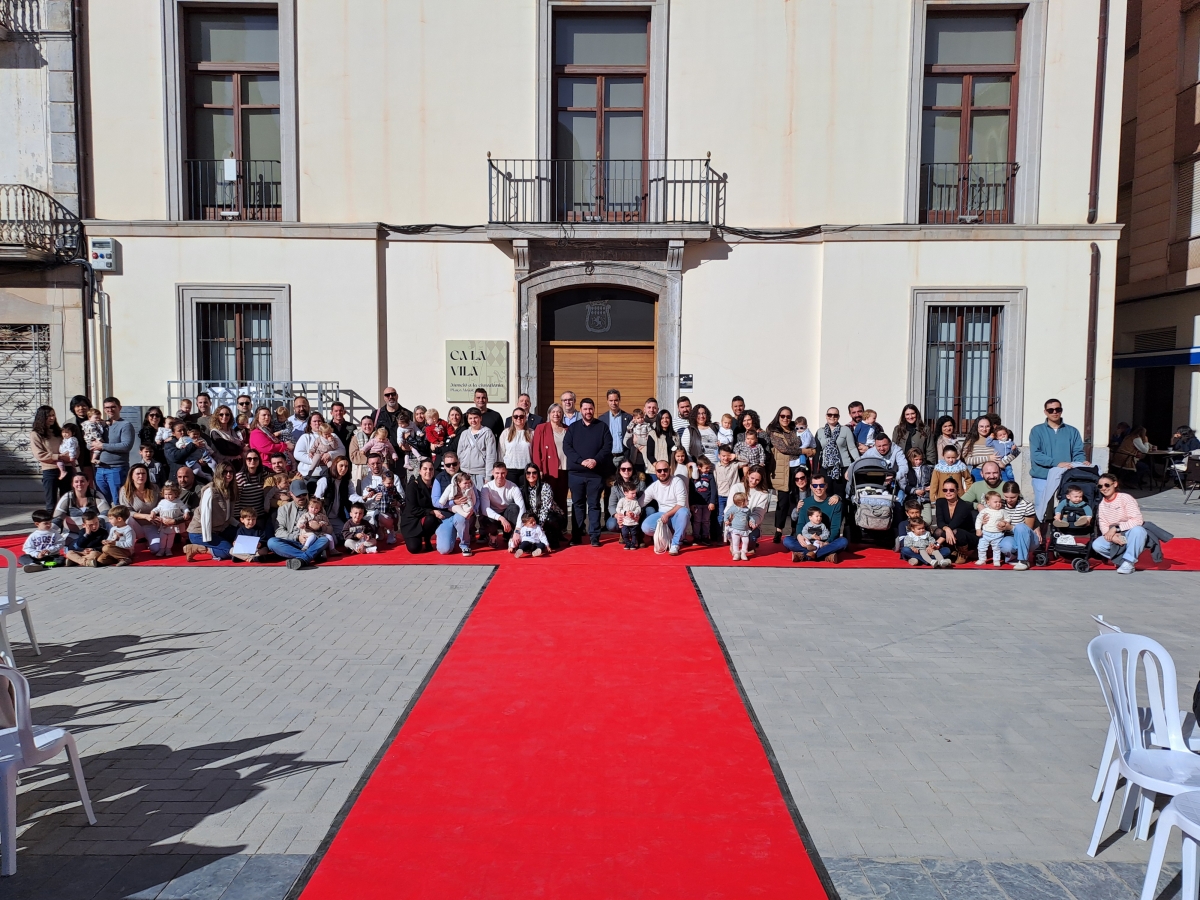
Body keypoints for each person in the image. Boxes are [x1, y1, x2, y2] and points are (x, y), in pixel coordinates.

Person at [563, 398, 609, 546]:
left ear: (594, 409)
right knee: (578, 505)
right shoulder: (573, 428)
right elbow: (567, 447)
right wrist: (581, 461)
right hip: (576, 474)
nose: (588, 412)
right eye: (585, 409)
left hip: (596, 475)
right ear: (580, 410)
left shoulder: (602, 427)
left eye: (590, 409)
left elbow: (607, 446)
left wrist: (595, 460)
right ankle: (576, 536)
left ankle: (594, 537)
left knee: (595, 505)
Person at [1029, 399, 1086, 515]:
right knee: (1042, 508)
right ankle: (1040, 531)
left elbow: (1078, 452)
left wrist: (1081, 463)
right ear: (1045, 412)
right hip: (1043, 475)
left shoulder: (1072, 431)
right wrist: (1056, 463)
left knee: (1067, 507)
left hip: (1066, 475)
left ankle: (1064, 531)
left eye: (1057, 409)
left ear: (1061, 411)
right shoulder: (1037, 430)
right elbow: (1036, 455)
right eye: (1051, 410)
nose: (1054, 412)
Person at [269, 479, 335, 569]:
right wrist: (297, 537)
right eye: (298, 495)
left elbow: (330, 528)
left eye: (304, 494)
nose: (301, 497)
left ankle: (301, 558)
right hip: (293, 542)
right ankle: (310, 556)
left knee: (325, 540)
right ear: (291, 494)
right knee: (272, 542)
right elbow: (279, 532)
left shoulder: (316, 507)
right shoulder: (283, 509)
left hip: (313, 540)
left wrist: (319, 528)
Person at [783, 475, 848, 562]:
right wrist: (799, 536)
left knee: (843, 542)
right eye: (815, 485)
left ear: (826, 486)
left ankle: (805, 555)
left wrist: (826, 543)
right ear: (811, 486)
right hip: (807, 541)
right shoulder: (805, 503)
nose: (818, 488)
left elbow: (835, 529)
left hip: (824, 541)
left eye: (821, 485)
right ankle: (825, 556)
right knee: (787, 540)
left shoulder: (836, 504)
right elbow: (800, 524)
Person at [1092, 475, 1149, 574]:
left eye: (1106, 485)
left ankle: (1129, 561)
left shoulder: (1125, 498)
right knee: (1097, 545)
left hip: (1129, 531)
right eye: (1100, 486)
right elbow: (1103, 523)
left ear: (1115, 484)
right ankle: (1123, 561)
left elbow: (1137, 520)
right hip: (1114, 533)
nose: (1104, 488)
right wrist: (1110, 535)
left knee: (1138, 530)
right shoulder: (1102, 504)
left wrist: (1116, 528)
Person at [185, 462, 240, 561]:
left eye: (231, 471)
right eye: (225, 472)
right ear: (219, 473)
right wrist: (208, 538)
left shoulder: (230, 489)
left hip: (220, 529)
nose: (228, 474)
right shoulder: (210, 490)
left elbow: (227, 516)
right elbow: (205, 517)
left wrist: (239, 525)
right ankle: (197, 548)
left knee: (243, 535)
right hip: (200, 532)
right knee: (228, 550)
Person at [765, 408, 804, 539]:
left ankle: (794, 528)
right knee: (783, 501)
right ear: (778, 416)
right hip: (783, 469)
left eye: (788, 416)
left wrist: (799, 449)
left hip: (798, 468)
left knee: (796, 500)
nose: (785, 419)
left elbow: (801, 442)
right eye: (782, 416)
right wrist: (803, 451)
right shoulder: (774, 431)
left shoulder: (794, 429)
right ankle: (778, 530)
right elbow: (784, 449)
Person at [640, 459, 690, 555]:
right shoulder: (654, 487)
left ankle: (675, 544)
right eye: (659, 471)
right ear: (655, 472)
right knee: (646, 527)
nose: (662, 473)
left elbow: (681, 504)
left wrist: (668, 514)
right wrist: (626, 512)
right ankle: (669, 537)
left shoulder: (677, 481)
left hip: (677, 514)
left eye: (665, 470)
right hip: (662, 515)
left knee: (684, 512)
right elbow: (640, 503)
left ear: (669, 470)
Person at [31, 405, 71, 512]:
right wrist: (58, 456)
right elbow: (39, 454)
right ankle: (51, 526)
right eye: (49, 416)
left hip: (66, 468)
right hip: (50, 470)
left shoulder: (60, 432)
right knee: (51, 503)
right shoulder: (36, 434)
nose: (52, 418)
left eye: (53, 415)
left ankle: (66, 525)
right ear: (41, 417)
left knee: (66, 501)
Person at [401, 459, 445, 553]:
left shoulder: (436, 485)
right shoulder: (412, 486)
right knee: (414, 549)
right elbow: (413, 509)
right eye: (425, 469)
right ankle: (416, 538)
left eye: (431, 469)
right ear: (420, 471)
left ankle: (427, 538)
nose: (428, 472)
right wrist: (431, 511)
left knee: (431, 519)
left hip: (428, 519)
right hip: (412, 520)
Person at [531, 403, 570, 511]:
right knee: (548, 498)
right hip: (548, 469)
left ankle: (562, 525)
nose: (556, 414)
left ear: (562, 414)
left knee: (562, 498)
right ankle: (549, 525)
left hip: (565, 468)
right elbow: (536, 450)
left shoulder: (567, 429)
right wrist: (538, 469)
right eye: (553, 412)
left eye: (559, 412)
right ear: (549, 414)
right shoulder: (541, 428)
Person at [352, 454, 397, 545]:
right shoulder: (365, 481)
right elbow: (365, 503)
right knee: (370, 518)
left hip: (387, 510)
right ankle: (378, 531)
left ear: (382, 462)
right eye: (372, 464)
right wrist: (374, 499)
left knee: (384, 516)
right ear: (368, 465)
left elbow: (400, 494)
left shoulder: (392, 476)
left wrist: (395, 501)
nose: (375, 466)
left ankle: (391, 531)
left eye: (378, 463)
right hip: (371, 511)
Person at [479, 462, 526, 549]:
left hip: (508, 515)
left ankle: (512, 536)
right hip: (495, 517)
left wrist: (518, 530)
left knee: (514, 507)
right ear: (493, 473)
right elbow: (485, 509)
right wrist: (501, 519)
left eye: (502, 473)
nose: (500, 476)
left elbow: (522, 509)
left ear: (506, 473)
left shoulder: (513, 487)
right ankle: (493, 536)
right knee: (485, 518)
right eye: (497, 473)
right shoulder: (486, 488)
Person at [519, 464, 565, 549]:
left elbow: (545, 509)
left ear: (538, 474)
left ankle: (555, 536)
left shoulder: (546, 487)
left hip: (550, 516)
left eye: (534, 473)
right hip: (534, 519)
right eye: (528, 473)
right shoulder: (522, 489)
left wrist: (538, 527)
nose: (531, 475)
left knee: (550, 520)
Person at [119, 463, 162, 554]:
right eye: (138, 474)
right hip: (135, 526)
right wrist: (145, 516)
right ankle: (129, 547)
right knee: (127, 519)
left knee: (156, 549)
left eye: (143, 473)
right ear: (131, 476)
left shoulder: (154, 488)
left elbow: (161, 505)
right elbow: (126, 511)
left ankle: (147, 541)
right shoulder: (125, 490)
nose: (141, 476)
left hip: (152, 524)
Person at [814, 407, 859, 493]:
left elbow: (852, 448)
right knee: (826, 494)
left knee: (840, 494)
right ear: (826, 416)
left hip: (842, 468)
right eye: (830, 414)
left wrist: (858, 462)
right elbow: (818, 452)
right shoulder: (820, 431)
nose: (832, 417)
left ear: (838, 417)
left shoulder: (845, 430)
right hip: (826, 468)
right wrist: (815, 471)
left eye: (835, 415)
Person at [996, 481, 1038, 570]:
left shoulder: (1026, 505)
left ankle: (1023, 560)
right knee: (1006, 546)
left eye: (1013, 497)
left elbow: (1027, 528)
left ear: (1018, 493)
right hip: (1010, 537)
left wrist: (1010, 527)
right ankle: (1013, 557)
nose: (1009, 500)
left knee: (1020, 527)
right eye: (1006, 497)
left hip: (1027, 538)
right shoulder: (1000, 504)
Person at [436, 471, 478, 556]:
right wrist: (450, 502)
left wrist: (472, 507)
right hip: (451, 510)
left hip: (465, 507)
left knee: (462, 517)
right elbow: (440, 500)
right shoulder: (450, 487)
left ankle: (464, 545)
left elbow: (475, 498)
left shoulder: (470, 489)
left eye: (469, 483)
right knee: (444, 550)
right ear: (458, 483)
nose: (467, 485)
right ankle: (442, 532)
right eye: (465, 483)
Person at [457, 408, 498, 491]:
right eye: (470, 418)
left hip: (481, 473)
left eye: (475, 417)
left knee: (481, 499)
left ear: (480, 418)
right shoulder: (464, 433)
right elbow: (459, 452)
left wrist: (488, 476)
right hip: (466, 473)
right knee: (467, 499)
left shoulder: (487, 433)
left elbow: (491, 455)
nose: (473, 420)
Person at [935, 477, 975, 562]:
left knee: (956, 531)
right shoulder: (940, 502)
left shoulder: (964, 505)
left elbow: (954, 524)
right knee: (938, 531)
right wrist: (947, 528)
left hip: (967, 536)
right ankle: (952, 549)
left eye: (951, 490)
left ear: (957, 490)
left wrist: (938, 542)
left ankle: (963, 553)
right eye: (945, 490)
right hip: (950, 533)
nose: (948, 492)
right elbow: (940, 522)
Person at [599, 390, 633, 475]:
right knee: (609, 484)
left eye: (616, 400)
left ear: (619, 400)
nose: (613, 403)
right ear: (607, 401)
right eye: (611, 400)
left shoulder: (628, 418)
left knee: (624, 485)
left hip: (623, 458)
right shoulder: (602, 419)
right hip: (608, 458)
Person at [151, 481, 189, 556]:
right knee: (163, 537)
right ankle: (161, 550)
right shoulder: (162, 502)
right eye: (166, 494)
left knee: (170, 538)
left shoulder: (178, 502)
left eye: (170, 494)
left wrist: (186, 512)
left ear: (176, 494)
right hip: (163, 523)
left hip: (172, 524)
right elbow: (157, 509)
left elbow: (185, 508)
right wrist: (153, 512)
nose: (168, 496)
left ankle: (168, 550)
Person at [605, 461, 645, 532]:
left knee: (650, 511)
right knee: (611, 525)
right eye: (623, 469)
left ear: (633, 470)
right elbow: (611, 505)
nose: (626, 471)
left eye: (629, 469)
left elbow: (643, 502)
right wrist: (617, 516)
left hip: (636, 510)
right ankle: (623, 531)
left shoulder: (640, 483)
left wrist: (637, 514)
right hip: (621, 511)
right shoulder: (615, 487)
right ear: (619, 471)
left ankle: (640, 530)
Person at [713, 445, 741, 532]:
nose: (725, 458)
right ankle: (719, 535)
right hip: (721, 495)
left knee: (732, 515)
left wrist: (736, 456)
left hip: (733, 496)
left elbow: (747, 460)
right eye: (723, 456)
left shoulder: (734, 465)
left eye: (728, 456)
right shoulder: (715, 467)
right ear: (719, 456)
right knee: (721, 515)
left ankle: (731, 535)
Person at [974, 491, 1007, 566]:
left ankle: (996, 560)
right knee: (981, 547)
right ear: (988, 503)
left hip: (997, 534)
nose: (998, 504)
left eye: (1000, 502)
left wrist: (1004, 522)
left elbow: (1008, 519)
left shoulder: (1002, 511)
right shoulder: (984, 511)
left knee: (996, 549)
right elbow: (978, 520)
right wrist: (978, 529)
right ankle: (982, 559)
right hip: (985, 533)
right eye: (995, 502)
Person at [691, 456, 716, 545]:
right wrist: (692, 503)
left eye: (709, 467)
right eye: (706, 468)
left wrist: (712, 502)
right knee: (697, 521)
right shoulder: (694, 477)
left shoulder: (710, 476)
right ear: (699, 467)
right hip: (697, 504)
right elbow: (692, 491)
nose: (708, 469)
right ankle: (696, 537)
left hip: (707, 504)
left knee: (706, 521)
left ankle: (705, 536)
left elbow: (713, 490)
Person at [724, 492, 755, 561]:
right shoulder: (734, 508)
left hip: (744, 530)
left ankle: (743, 552)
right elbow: (727, 514)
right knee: (736, 542)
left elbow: (750, 517)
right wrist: (726, 520)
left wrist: (752, 521)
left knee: (746, 541)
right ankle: (736, 553)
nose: (748, 501)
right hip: (735, 529)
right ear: (741, 503)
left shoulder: (747, 510)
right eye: (747, 500)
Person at [623, 406, 652, 478]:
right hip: (636, 444)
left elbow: (651, 432)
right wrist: (632, 422)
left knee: (645, 453)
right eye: (638, 418)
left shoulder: (646, 425)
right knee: (633, 453)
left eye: (642, 417)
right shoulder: (634, 425)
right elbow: (628, 429)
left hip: (644, 444)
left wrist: (649, 435)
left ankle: (647, 466)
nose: (641, 419)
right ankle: (631, 465)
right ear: (635, 418)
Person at [615, 486, 643, 550]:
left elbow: (638, 509)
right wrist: (625, 513)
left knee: (634, 534)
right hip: (625, 522)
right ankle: (627, 543)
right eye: (632, 493)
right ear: (625, 493)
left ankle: (633, 544)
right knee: (624, 533)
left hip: (633, 522)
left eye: (635, 493)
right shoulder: (622, 500)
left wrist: (634, 513)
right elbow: (618, 509)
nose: (634, 495)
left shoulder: (635, 501)